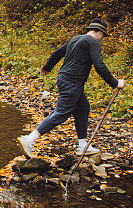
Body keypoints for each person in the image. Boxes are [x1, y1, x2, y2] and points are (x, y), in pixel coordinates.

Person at [17, 18, 126, 158]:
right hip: (72, 82)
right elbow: (100, 66)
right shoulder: (93, 42)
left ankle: (82, 146)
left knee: (83, 108)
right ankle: (29, 139)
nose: (102, 39)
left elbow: (57, 53)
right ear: (99, 32)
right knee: (61, 113)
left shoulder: (75, 39)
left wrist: (47, 67)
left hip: (66, 80)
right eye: (103, 35)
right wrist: (115, 83)